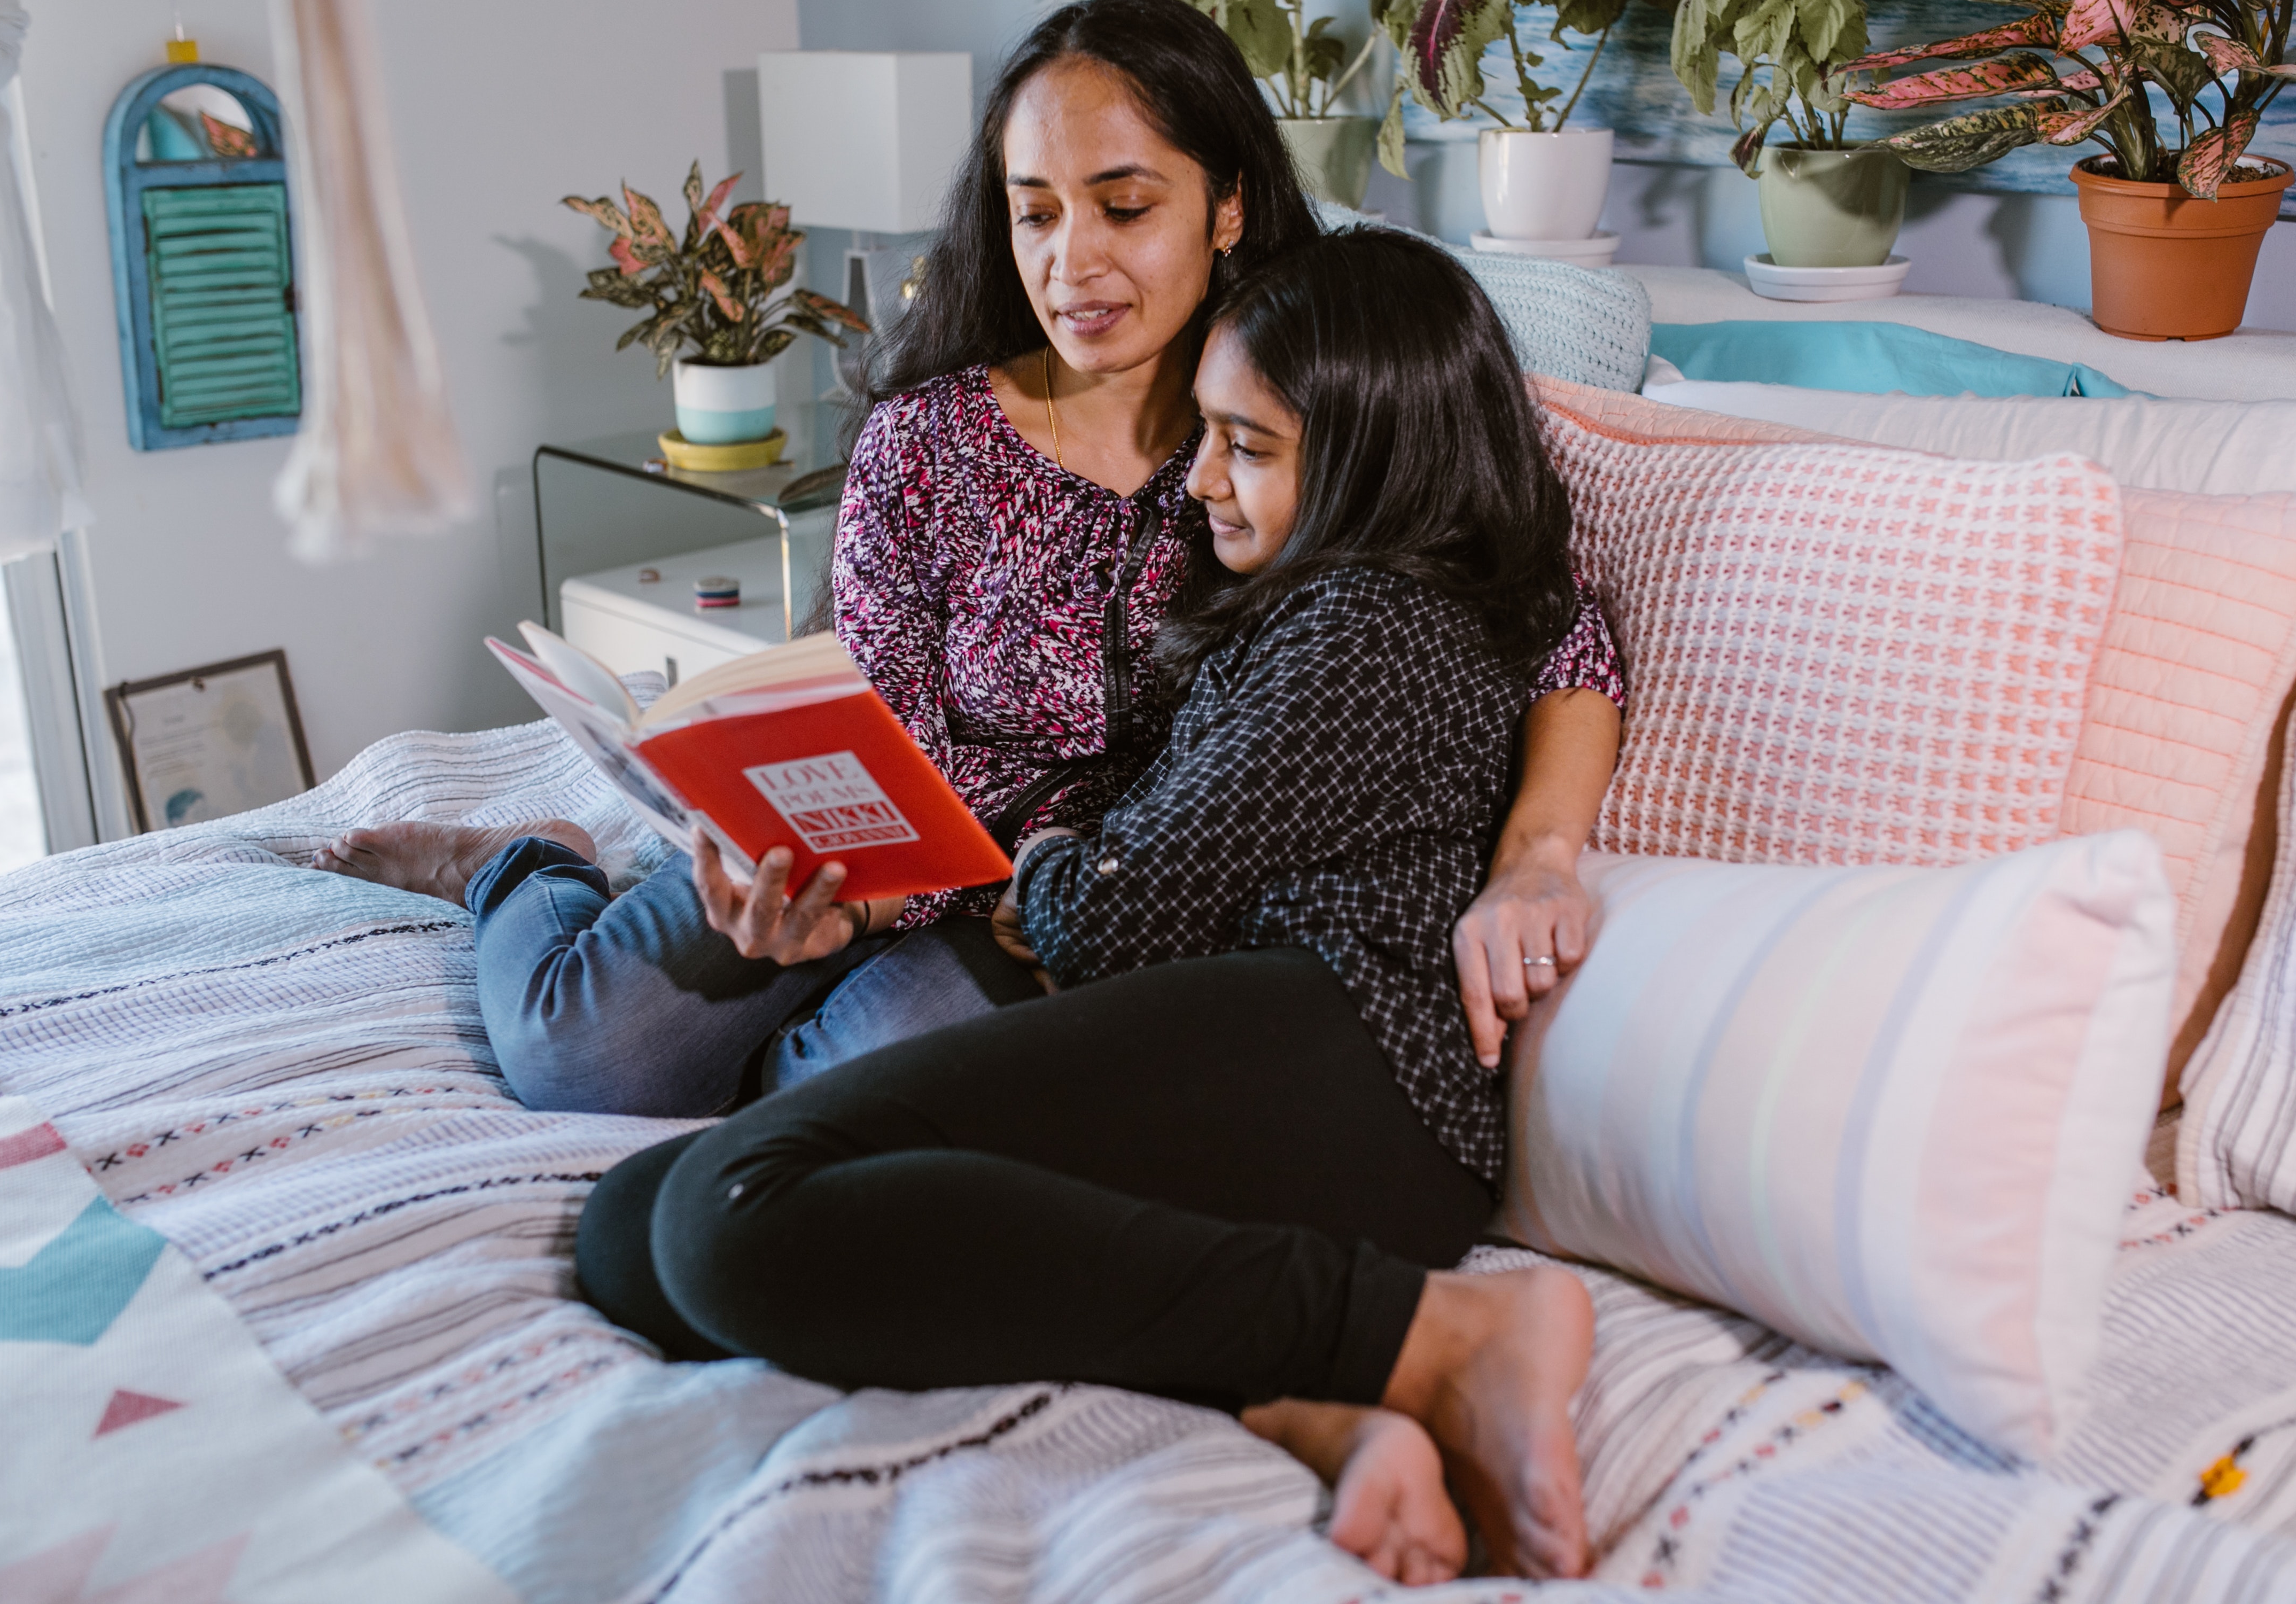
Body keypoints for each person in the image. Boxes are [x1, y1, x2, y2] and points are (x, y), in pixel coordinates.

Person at [313, 0, 1619, 1148]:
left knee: (840, 1109)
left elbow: (1548, 627)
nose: (1070, 263)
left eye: (1125, 205)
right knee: (576, 1054)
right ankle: (524, 868)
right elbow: (877, 731)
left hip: (1061, 917)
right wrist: (822, 900)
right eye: (1033, 212)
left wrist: (1538, 857)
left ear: (1228, 204)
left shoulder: (1303, 419)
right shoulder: (928, 442)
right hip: (877, 873)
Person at [575, 230, 1609, 1583]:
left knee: (728, 1206)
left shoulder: (1368, 633)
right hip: (1264, 1065)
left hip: (1350, 1061)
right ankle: (1309, 1401)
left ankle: (1444, 1335)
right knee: (630, 1230)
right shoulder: (1322, 609)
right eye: (1207, 438)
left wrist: (1058, 842)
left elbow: (1104, 917)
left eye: (1246, 447)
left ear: (1372, 461)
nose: (1199, 482)